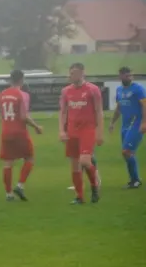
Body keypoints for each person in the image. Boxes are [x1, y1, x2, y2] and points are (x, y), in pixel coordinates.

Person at [59, 63, 104, 204]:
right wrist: (61, 130)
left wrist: (99, 133)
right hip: (72, 131)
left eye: (75, 73)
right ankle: (79, 197)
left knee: (84, 161)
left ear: (82, 73)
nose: (72, 76)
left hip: (87, 130)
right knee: (75, 165)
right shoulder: (66, 91)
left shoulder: (93, 89)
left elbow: (99, 111)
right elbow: (63, 112)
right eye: (71, 73)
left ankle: (94, 185)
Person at [0, 70, 43, 201]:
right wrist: (36, 126)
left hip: (6, 131)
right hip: (19, 132)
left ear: (10, 79)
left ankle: (8, 194)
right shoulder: (21, 95)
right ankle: (20, 185)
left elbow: (1, 114)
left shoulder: (2, 94)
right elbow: (24, 117)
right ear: (22, 80)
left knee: (8, 163)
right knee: (29, 158)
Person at [109, 66, 146, 188]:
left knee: (126, 151)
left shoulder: (138, 89)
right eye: (126, 75)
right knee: (128, 153)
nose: (129, 77)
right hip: (125, 126)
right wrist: (112, 122)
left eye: (130, 75)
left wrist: (144, 123)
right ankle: (133, 180)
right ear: (120, 76)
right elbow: (119, 108)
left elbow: (144, 105)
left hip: (136, 124)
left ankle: (135, 180)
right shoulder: (119, 90)